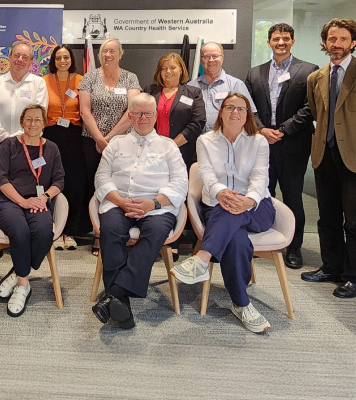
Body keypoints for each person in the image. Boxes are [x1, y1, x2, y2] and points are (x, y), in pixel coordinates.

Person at [172, 93, 275, 333]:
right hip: (218, 204)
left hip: (257, 207)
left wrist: (248, 200)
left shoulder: (258, 141)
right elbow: (205, 174)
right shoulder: (206, 140)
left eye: (241, 109)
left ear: (247, 114)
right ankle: (242, 304)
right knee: (236, 240)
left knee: (232, 214)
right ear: (221, 111)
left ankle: (202, 259)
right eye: (230, 107)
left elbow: (261, 176)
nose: (235, 113)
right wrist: (220, 192)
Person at [91, 93, 188, 329]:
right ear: (131, 116)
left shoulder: (169, 147)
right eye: (138, 113)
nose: (143, 118)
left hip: (156, 208)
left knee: (154, 235)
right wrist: (121, 202)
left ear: (155, 116)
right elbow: (101, 177)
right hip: (118, 202)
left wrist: (153, 203)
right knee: (111, 231)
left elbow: (180, 183)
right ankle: (120, 301)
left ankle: (114, 293)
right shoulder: (115, 144)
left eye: (148, 113)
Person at [245, 23, 318, 269]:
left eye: (286, 38)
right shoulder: (255, 73)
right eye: (276, 38)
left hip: (294, 143)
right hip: (262, 143)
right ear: (269, 42)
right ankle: (262, 238)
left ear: (293, 41)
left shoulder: (309, 70)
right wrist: (262, 129)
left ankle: (294, 247)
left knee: (293, 195)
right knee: (262, 193)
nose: (281, 42)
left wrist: (284, 129)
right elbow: (249, 106)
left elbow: (310, 107)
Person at [0, 104, 64, 317]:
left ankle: (18, 270)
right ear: (22, 122)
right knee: (20, 231)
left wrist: (45, 197)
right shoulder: (9, 145)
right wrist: (22, 202)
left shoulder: (51, 148)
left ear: (44, 123)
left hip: (38, 201)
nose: (33, 124)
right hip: (7, 201)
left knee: (43, 232)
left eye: (38, 119)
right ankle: (23, 285)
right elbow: (1, 179)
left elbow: (59, 179)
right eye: (28, 119)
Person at [303, 18, 356, 299]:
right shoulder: (316, 78)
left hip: (354, 158)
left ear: (353, 42)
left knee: (354, 221)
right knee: (328, 217)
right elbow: (315, 113)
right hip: (324, 154)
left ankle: (352, 276)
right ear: (325, 43)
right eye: (332, 39)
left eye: (343, 39)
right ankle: (331, 267)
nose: (336, 44)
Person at [78, 38, 141, 255]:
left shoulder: (130, 78)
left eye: (113, 51)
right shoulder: (90, 77)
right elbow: (85, 111)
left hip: (123, 143)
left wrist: (109, 139)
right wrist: (99, 139)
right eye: (104, 51)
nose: (108, 55)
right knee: (97, 186)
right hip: (92, 141)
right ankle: (99, 233)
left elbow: (132, 111)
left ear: (120, 54)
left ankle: (119, 231)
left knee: (120, 185)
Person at [42, 44, 91, 251]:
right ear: (53, 60)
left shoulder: (81, 81)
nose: (62, 61)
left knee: (74, 183)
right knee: (50, 181)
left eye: (66, 58)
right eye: (58, 58)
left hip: (74, 135)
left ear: (71, 59)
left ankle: (70, 230)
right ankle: (53, 229)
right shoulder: (44, 81)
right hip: (50, 135)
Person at [0, 40, 48, 166]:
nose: (20, 59)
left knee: (28, 183)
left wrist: (19, 139)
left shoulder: (39, 84)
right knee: (0, 183)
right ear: (9, 57)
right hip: (1, 144)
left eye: (25, 57)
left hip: (30, 144)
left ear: (30, 62)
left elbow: (39, 115)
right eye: (16, 55)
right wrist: (6, 138)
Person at [144, 52, 206, 167]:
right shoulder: (150, 91)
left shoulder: (193, 93)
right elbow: (141, 118)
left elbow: (198, 122)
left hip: (182, 153)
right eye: (164, 68)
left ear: (181, 69)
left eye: (172, 67)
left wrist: (172, 145)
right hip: (151, 152)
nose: (168, 72)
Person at [188, 42, 257, 133]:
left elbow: (249, 115)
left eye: (215, 56)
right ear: (201, 60)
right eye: (206, 56)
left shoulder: (236, 85)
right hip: (196, 142)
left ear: (222, 59)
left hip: (227, 142)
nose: (211, 60)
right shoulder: (190, 87)